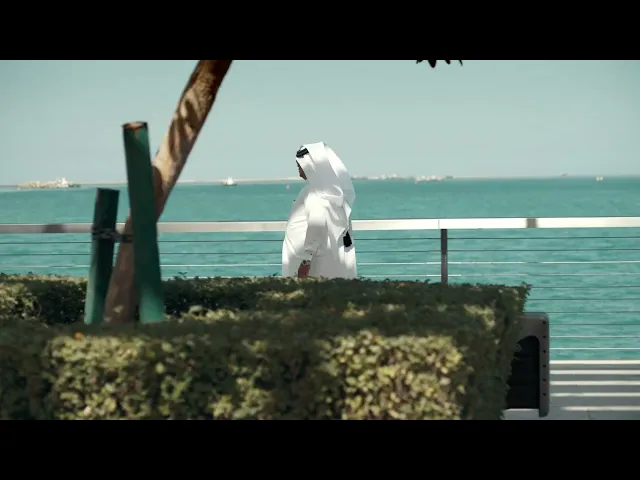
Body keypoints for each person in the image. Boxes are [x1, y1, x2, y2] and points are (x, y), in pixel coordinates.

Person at [282, 142, 357, 279]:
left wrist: (306, 260)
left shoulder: (316, 193)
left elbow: (317, 223)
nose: (299, 171)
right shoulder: (330, 192)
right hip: (321, 257)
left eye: (300, 166)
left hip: (310, 262)